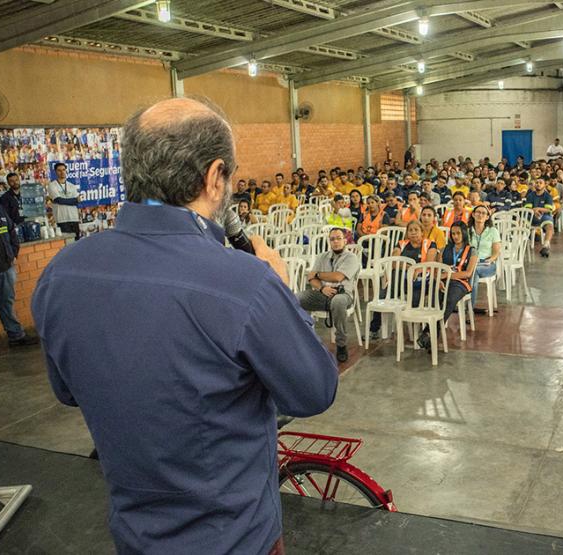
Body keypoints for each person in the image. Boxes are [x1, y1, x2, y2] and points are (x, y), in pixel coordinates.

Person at [32, 98, 338, 555]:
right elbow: (314, 391)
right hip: (235, 537)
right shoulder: (245, 282)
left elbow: (68, 391)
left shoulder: (61, 273)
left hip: (135, 535)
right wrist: (283, 292)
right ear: (215, 177)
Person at [0, 174, 38, 363]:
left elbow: (11, 230)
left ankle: (16, 336)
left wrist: (13, 252)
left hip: (5, 266)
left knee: (6, 303)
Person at [299, 227, 360, 362]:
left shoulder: (352, 258)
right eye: (332, 239)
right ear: (329, 242)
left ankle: (341, 344)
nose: (335, 242)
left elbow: (338, 277)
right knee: (296, 298)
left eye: (339, 238)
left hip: (343, 294)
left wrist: (318, 274)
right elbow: (311, 278)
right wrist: (322, 288)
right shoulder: (322, 257)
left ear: (345, 241)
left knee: (338, 301)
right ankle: (302, 340)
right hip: (323, 293)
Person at [416, 222, 478, 352]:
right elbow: (437, 268)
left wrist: (448, 276)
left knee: (449, 299)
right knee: (435, 297)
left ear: (464, 233)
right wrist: (438, 279)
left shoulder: (472, 250)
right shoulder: (445, 249)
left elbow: (468, 273)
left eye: (458, 233)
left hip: (460, 283)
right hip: (443, 280)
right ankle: (432, 336)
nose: (455, 236)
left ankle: (429, 332)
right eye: (453, 233)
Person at [468, 205, 501, 313]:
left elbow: (496, 252)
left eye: (483, 213)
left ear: (487, 217)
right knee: (473, 272)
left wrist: (490, 260)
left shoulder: (492, 231)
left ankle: (469, 308)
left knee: (473, 271)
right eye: (478, 212)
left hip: (487, 264)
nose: (480, 215)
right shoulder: (468, 231)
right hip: (471, 263)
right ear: (473, 214)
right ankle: (469, 308)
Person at [48, 162, 81, 236]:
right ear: (55, 172)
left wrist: (74, 201)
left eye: (63, 170)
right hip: (61, 219)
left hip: (74, 218)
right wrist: (74, 200)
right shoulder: (52, 185)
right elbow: (58, 200)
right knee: (66, 242)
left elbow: (76, 202)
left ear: (66, 171)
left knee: (77, 241)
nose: (62, 172)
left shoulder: (72, 186)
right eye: (59, 170)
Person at [525, 178, 555, 257]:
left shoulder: (548, 196)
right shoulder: (530, 195)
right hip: (531, 216)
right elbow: (527, 208)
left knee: (550, 226)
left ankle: (545, 246)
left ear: (544, 185)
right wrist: (534, 211)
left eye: (540, 183)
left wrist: (537, 209)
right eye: (537, 182)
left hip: (544, 215)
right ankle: (519, 243)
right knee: (521, 221)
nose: (538, 184)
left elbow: (548, 209)